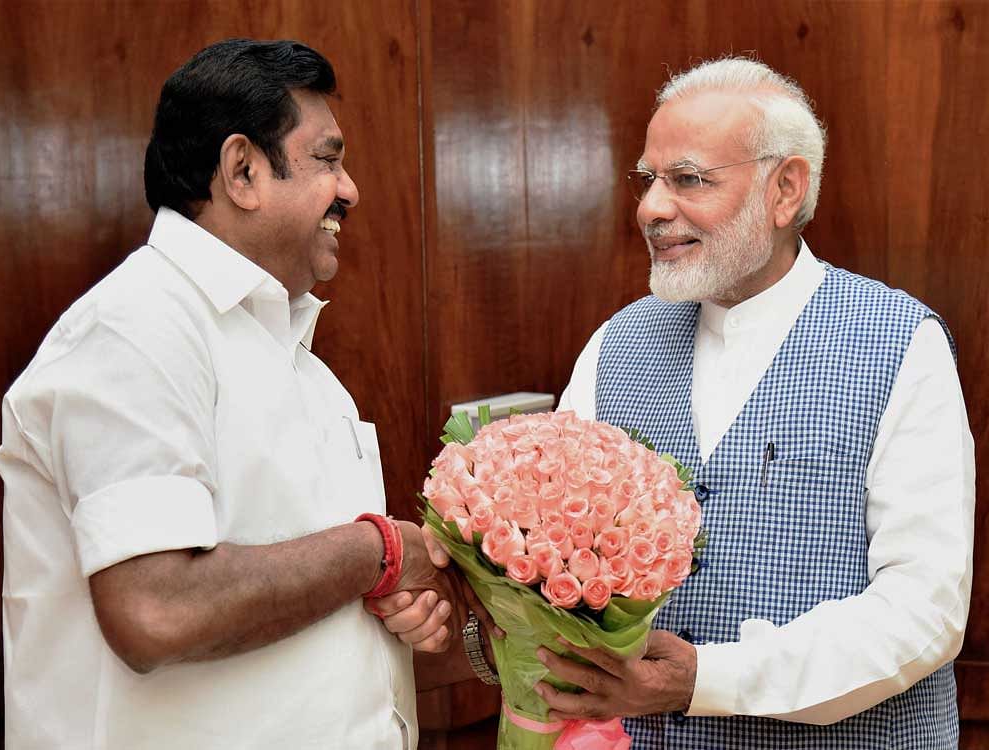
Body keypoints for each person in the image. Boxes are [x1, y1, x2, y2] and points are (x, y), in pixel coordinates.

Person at [376, 56, 975, 749]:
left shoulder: (901, 342)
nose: (651, 208)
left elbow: (923, 611)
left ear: (786, 190)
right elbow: (541, 571)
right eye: (649, 180)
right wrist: (465, 588)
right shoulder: (615, 343)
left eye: (687, 179)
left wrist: (704, 679)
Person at [0, 39, 461, 750]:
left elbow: (308, 577)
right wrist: (382, 552)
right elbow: (157, 611)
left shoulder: (298, 358)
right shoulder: (134, 327)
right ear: (242, 170)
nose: (350, 189)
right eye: (328, 159)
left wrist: (395, 605)